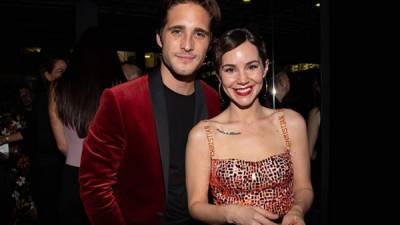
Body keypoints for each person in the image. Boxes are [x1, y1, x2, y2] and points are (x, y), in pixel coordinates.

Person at [78, 1, 221, 225]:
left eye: (199, 34)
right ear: (159, 38)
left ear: (209, 43)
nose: (187, 45)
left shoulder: (213, 99)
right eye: (177, 31)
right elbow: (94, 184)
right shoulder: (121, 100)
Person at [186, 28, 313, 225]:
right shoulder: (203, 134)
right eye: (230, 69)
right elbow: (196, 205)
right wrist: (231, 213)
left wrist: (297, 210)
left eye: (251, 67)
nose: (242, 79)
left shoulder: (291, 123)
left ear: (265, 68)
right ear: (219, 75)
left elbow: (304, 188)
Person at [48, 26, 126, 225]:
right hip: (109, 178)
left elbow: (62, 145)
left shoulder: (58, 87)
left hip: (72, 178)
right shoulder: (120, 86)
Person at [31, 52, 68, 225]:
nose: (65, 76)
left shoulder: (64, 98)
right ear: (47, 76)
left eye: (67, 71)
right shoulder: (44, 100)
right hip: (48, 167)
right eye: (60, 71)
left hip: (57, 165)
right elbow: (42, 139)